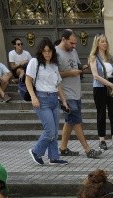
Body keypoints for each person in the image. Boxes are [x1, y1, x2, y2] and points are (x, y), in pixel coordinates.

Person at [26, 38, 70, 166]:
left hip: (54, 99)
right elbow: (28, 81)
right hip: (42, 99)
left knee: (54, 131)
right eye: (44, 51)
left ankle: (54, 157)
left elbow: (58, 85)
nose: (47, 53)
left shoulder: (54, 65)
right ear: (40, 51)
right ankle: (36, 151)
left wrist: (64, 101)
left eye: (49, 51)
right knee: (49, 130)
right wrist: (33, 97)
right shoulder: (35, 62)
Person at [56, 29, 94, 158]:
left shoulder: (73, 51)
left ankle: (63, 147)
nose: (74, 46)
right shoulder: (55, 53)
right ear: (64, 39)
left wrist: (83, 68)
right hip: (66, 94)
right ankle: (87, 149)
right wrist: (70, 73)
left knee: (70, 121)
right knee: (77, 121)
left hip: (76, 92)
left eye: (75, 44)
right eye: (71, 43)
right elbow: (53, 74)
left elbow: (76, 67)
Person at [89, 34, 113, 153]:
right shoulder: (93, 57)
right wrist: (111, 85)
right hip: (100, 87)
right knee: (101, 113)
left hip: (112, 85)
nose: (105, 43)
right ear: (97, 43)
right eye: (102, 41)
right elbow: (96, 76)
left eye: (106, 41)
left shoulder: (110, 57)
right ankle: (102, 140)